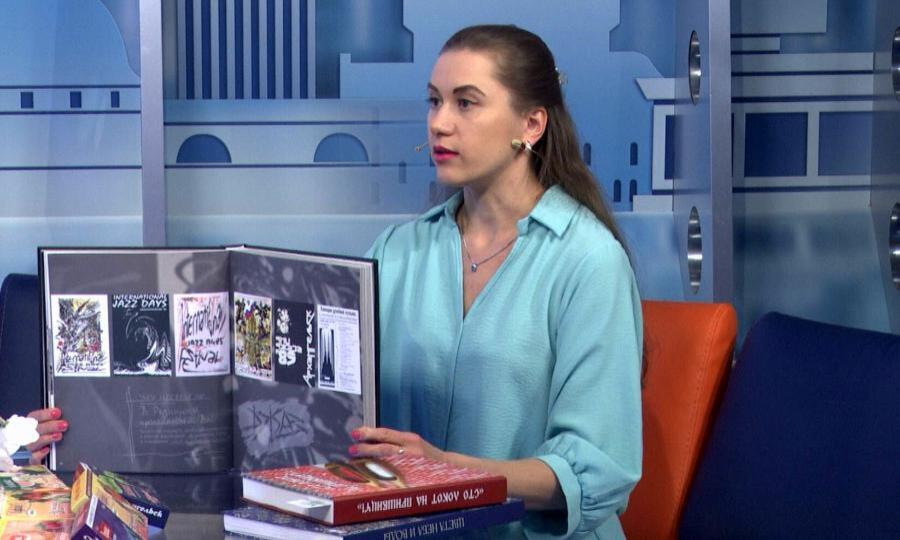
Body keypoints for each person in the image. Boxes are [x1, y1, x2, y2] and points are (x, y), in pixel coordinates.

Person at [355, 25, 642, 539]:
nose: (439, 123)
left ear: (531, 124)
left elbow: (596, 471)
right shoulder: (393, 252)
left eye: (466, 103)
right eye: (434, 101)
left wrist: (444, 471)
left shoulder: (590, 261)